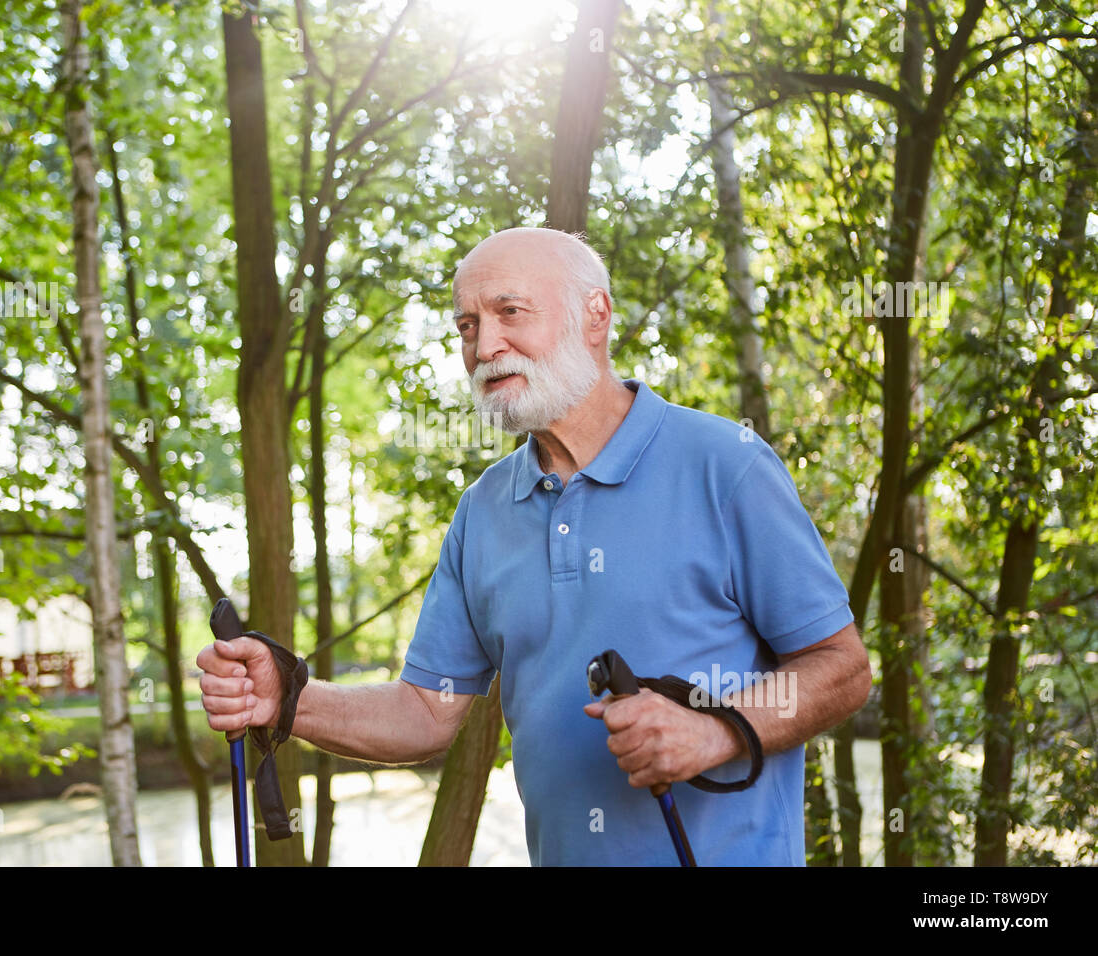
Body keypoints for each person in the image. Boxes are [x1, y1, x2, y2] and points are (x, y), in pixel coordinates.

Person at [198, 226, 872, 866]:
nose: (485, 345)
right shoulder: (483, 512)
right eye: (467, 325)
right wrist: (288, 700)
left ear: (595, 315)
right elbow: (426, 711)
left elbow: (841, 668)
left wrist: (716, 730)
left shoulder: (726, 465)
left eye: (510, 312)